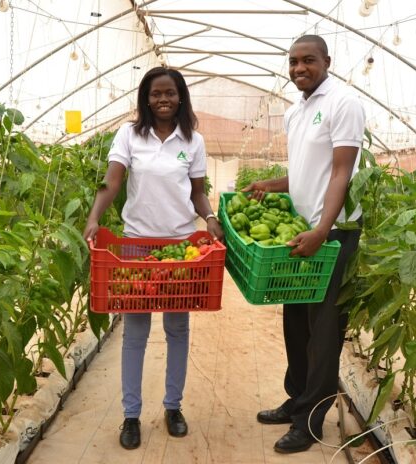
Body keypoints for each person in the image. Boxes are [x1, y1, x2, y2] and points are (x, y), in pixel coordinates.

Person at [82, 66, 224, 450]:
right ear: (146, 98)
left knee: (177, 329)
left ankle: (173, 407)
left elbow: (197, 192)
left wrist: (209, 218)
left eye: (170, 93)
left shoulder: (193, 140)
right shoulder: (129, 134)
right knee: (135, 332)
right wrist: (94, 218)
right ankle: (130, 415)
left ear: (181, 97)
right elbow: (112, 181)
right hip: (136, 245)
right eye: (156, 93)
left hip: (180, 247)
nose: (163, 100)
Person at [243, 35, 365, 454]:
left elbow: (341, 174)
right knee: (295, 319)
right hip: (301, 231)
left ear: (326, 61)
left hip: (333, 234)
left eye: (308, 61)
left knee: (324, 330)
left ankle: (311, 421)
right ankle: (296, 399)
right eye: (293, 62)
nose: (299, 68)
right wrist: (270, 183)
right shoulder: (296, 111)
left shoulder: (343, 103)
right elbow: (305, 174)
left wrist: (321, 230)